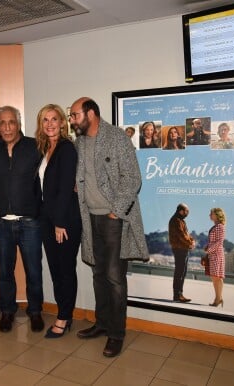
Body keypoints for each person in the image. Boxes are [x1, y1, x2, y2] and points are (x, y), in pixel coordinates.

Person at [69, 97, 149, 358]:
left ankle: (117, 334)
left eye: (74, 115)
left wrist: (117, 209)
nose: (72, 120)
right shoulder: (80, 142)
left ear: (90, 113)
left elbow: (133, 177)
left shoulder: (116, 137)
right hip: (89, 218)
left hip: (112, 220)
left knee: (115, 279)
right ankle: (102, 324)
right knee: (98, 274)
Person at [0, 105, 45, 333]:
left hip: (30, 221)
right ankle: (7, 312)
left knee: (34, 271)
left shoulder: (34, 146)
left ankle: (36, 311)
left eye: (11, 122)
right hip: (1, 222)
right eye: (2, 123)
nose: (7, 127)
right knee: (5, 272)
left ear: (19, 123)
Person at [35, 104, 82, 338]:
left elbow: (65, 188)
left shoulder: (66, 149)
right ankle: (64, 313)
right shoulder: (46, 148)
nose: (50, 124)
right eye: (45, 120)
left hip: (64, 220)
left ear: (63, 122)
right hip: (48, 219)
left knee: (64, 270)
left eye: (54, 119)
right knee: (55, 269)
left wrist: (60, 223)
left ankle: (64, 317)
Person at [168, 203, 195, 303]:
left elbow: (186, 234)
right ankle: (177, 295)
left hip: (183, 249)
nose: (187, 213)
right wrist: (190, 243)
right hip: (179, 249)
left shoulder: (181, 221)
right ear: (181, 211)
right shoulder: (176, 220)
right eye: (186, 211)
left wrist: (192, 241)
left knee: (182, 272)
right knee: (179, 272)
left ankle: (179, 294)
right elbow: (181, 235)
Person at [204, 208, 226, 307]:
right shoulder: (216, 226)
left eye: (211, 214)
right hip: (213, 253)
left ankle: (218, 298)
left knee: (217, 277)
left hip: (216, 254)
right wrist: (207, 246)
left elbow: (219, 242)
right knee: (214, 277)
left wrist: (209, 249)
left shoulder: (220, 226)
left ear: (217, 215)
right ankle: (218, 298)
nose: (209, 215)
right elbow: (214, 241)